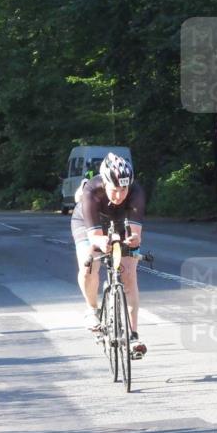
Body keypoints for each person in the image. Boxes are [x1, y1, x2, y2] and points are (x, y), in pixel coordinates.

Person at [71, 153, 147, 358]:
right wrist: (101, 242)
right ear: (105, 183)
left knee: (129, 272)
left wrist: (132, 241)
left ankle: (133, 336)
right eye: (115, 190)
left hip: (120, 222)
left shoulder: (136, 191)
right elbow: (95, 237)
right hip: (88, 223)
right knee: (89, 265)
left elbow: (135, 233)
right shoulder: (91, 191)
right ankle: (91, 309)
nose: (120, 195)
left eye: (124, 190)